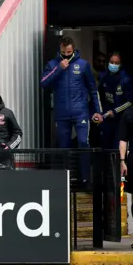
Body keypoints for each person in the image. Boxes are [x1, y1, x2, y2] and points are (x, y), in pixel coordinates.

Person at [41, 36, 103, 182]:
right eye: (64, 52)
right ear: (60, 50)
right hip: (61, 114)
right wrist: (59, 69)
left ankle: (85, 179)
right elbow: (43, 83)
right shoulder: (52, 64)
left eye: (69, 52)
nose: (66, 55)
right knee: (64, 147)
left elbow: (93, 90)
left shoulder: (83, 65)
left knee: (83, 142)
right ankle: (66, 180)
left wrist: (98, 112)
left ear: (73, 49)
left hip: (80, 112)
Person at [99, 52, 133, 149]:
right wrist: (99, 112)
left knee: (117, 148)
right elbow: (99, 97)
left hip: (120, 119)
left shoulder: (126, 79)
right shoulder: (103, 77)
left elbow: (130, 101)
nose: (113, 65)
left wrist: (115, 111)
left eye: (116, 63)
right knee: (104, 146)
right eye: (111, 62)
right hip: (106, 118)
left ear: (120, 64)